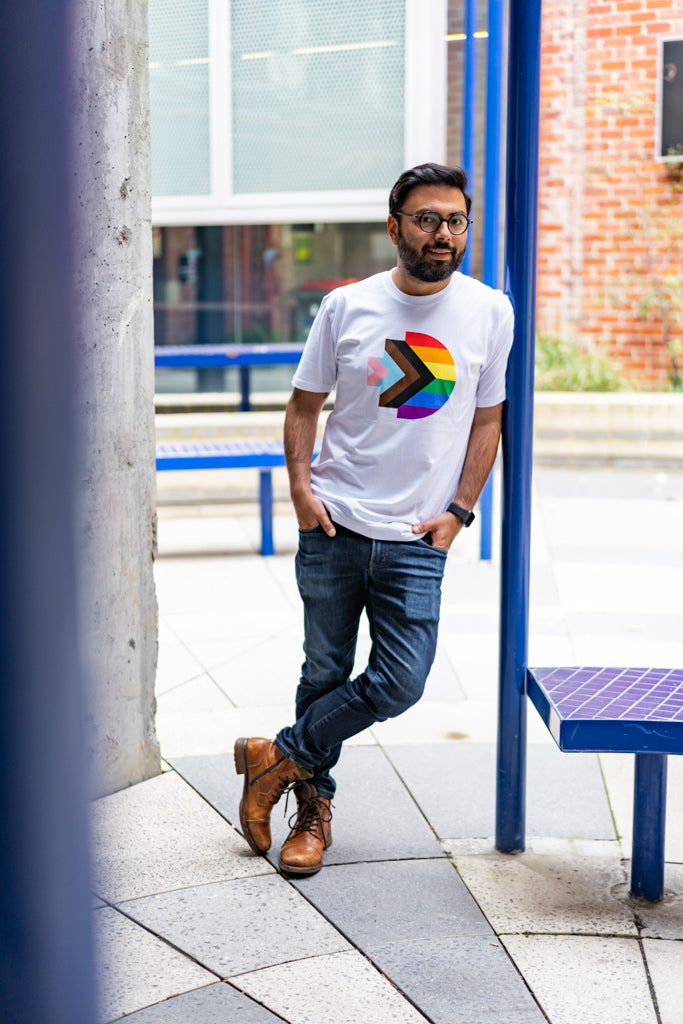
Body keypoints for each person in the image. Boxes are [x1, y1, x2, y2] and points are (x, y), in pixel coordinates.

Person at [234, 162, 514, 876]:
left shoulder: (489, 312)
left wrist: (460, 511)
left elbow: (488, 420)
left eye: (454, 220)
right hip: (335, 524)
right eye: (426, 219)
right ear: (395, 228)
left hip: (418, 537)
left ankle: (277, 756)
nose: (442, 233)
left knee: (400, 682)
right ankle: (312, 814)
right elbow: (303, 405)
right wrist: (302, 490)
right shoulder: (347, 306)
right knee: (324, 671)